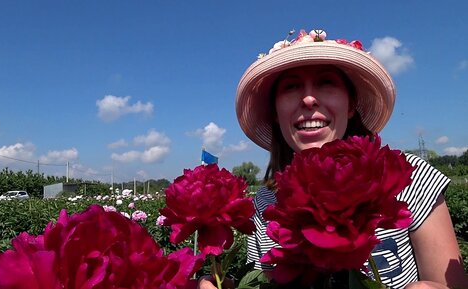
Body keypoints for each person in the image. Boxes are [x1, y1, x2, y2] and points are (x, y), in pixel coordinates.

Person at [199, 29, 468, 289]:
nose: (308, 98)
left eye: (326, 82)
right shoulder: (263, 206)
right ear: (274, 113)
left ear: (351, 105)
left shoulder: (410, 178)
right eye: (291, 86)